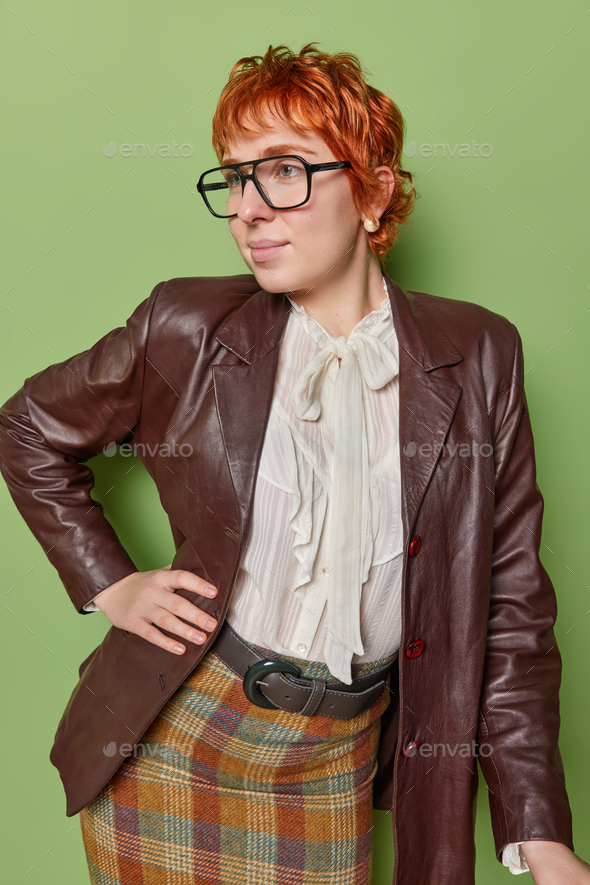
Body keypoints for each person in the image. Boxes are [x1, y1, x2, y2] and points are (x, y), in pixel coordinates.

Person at [0, 43, 588, 885]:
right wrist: (110, 581)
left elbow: (512, 606)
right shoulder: (187, 328)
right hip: (173, 740)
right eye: (236, 178)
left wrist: (539, 830)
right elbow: (26, 426)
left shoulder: (480, 352)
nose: (249, 208)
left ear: (375, 190)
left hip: (330, 763)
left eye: (284, 171)